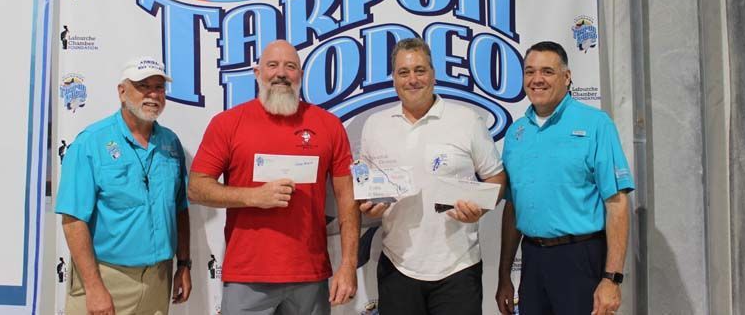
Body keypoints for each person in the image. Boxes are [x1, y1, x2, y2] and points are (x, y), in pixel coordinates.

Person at [189, 39, 359, 315]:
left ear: (300, 75)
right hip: (248, 275)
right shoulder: (228, 123)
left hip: (309, 274)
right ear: (257, 73)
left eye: (290, 66)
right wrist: (252, 196)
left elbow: (347, 196)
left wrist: (349, 265)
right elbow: (197, 188)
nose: (281, 73)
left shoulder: (328, 125)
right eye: (272, 65)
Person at [359, 37, 505, 315]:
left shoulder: (466, 120)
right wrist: (369, 206)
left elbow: (496, 179)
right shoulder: (374, 126)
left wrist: (480, 210)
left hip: (458, 267)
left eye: (420, 70)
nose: (412, 79)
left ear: (433, 74)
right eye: (404, 72)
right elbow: (366, 191)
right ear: (394, 78)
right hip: (398, 265)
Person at [496, 41, 634, 315]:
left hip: (581, 257)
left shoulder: (596, 124)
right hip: (533, 259)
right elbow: (513, 208)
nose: (537, 80)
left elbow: (617, 203)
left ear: (567, 77)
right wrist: (503, 278)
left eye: (547, 71)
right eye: (529, 71)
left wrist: (611, 279)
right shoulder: (516, 133)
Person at [56, 57, 191, 315]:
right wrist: (94, 287)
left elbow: (180, 209)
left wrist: (183, 264)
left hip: (159, 279)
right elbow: (73, 220)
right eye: (143, 86)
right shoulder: (90, 143)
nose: (153, 94)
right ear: (122, 91)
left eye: (159, 87)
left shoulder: (171, 144)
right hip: (107, 277)